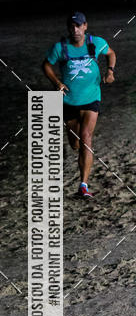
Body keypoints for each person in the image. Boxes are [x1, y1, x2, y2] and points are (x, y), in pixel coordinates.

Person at [43, 12, 116, 199]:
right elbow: (46, 65)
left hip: (91, 98)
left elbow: (110, 53)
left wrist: (110, 71)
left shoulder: (96, 43)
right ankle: (78, 153)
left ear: (85, 26)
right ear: (69, 28)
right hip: (69, 101)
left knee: (86, 139)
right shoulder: (60, 48)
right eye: (72, 26)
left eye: (79, 25)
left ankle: (83, 185)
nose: (75, 30)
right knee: (75, 144)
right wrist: (57, 83)